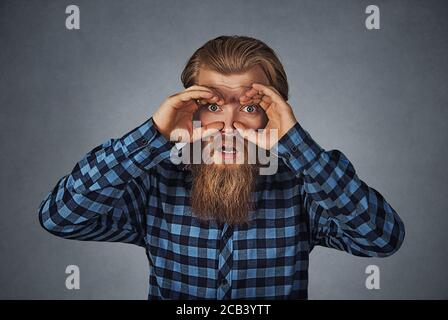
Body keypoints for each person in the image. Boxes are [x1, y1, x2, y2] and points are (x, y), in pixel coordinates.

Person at [38, 35, 405, 299]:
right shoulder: (155, 177)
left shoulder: (304, 181)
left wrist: (296, 143)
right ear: (189, 108)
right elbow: (61, 217)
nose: (229, 126)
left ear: (272, 114)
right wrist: (152, 134)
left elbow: (380, 239)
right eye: (212, 105)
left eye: (249, 107)